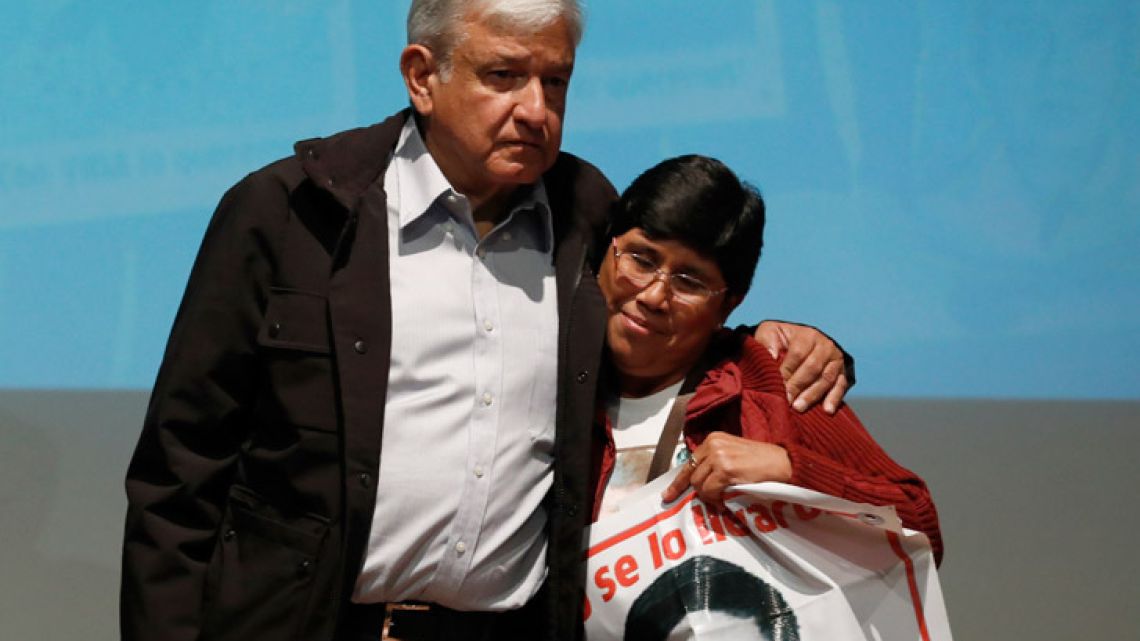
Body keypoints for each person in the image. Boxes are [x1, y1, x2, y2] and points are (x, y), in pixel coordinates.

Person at [120, 3, 851, 641]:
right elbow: (180, 472)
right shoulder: (290, 215)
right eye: (503, 76)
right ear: (421, 76)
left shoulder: (586, 217)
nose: (536, 109)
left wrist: (787, 341)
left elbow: (666, 326)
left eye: (555, 80)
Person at [589, 155, 942, 564]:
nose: (653, 296)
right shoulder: (549, 368)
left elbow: (921, 525)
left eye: (690, 282)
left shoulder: (769, 384)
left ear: (728, 305)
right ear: (605, 253)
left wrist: (791, 471)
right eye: (641, 259)